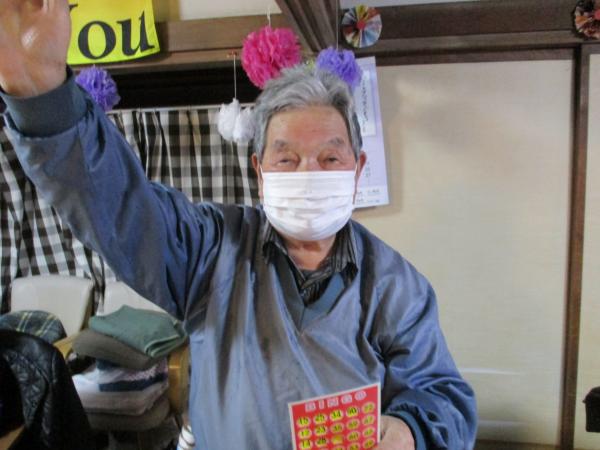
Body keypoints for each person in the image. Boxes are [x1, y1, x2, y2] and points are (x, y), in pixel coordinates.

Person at [0, 1, 477, 449]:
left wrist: (409, 430)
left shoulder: (397, 287)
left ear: (357, 170)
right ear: (259, 171)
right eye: (286, 158)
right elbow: (118, 206)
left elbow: (442, 395)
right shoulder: (210, 250)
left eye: (330, 158)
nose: (308, 174)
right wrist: (42, 93)